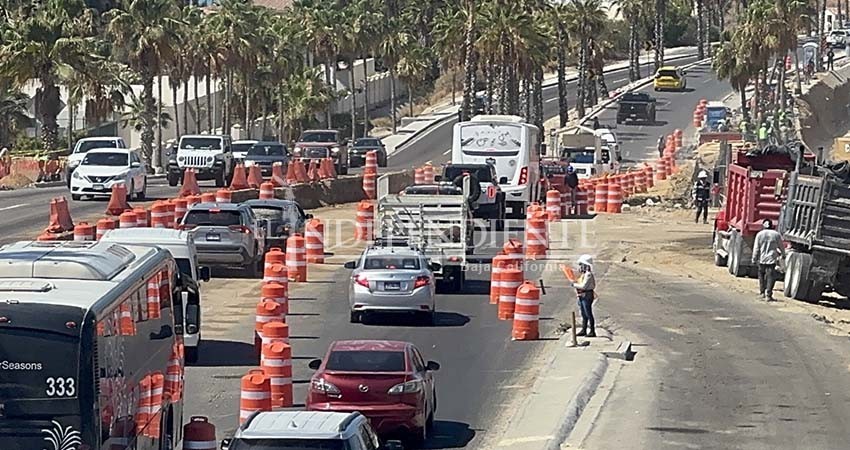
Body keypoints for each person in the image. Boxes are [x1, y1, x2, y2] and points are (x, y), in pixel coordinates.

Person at [752, 219, 784, 301]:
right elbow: (781, 246)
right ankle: (768, 295)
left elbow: (756, 248)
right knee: (770, 277)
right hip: (771, 260)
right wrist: (783, 255)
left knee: (761, 276)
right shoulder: (776, 235)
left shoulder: (759, 234)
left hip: (762, 260)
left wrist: (754, 258)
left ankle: (762, 293)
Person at [571, 254, 597, 337]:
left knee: (588, 313)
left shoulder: (588, 275)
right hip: (582, 295)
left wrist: (574, 285)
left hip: (587, 295)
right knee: (583, 313)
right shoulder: (584, 274)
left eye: (581, 264)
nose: (580, 266)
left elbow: (584, 286)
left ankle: (592, 331)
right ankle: (584, 329)